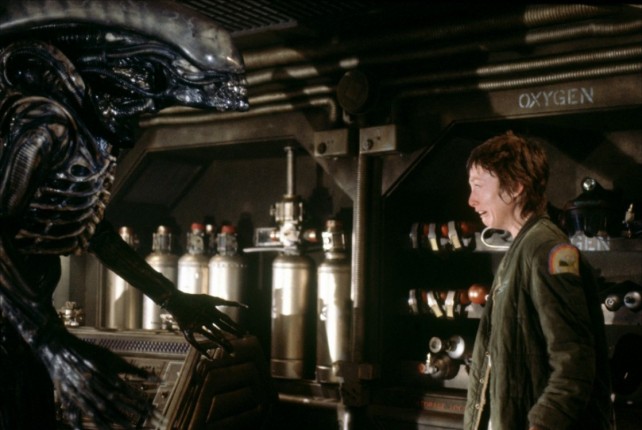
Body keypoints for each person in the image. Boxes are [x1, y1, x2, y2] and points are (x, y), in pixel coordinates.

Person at [463, 131, 614, 430]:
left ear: (515, 187)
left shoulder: (548, 250)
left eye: (478, 186)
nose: (471, 200)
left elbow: (573, 364)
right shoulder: (522, 249)